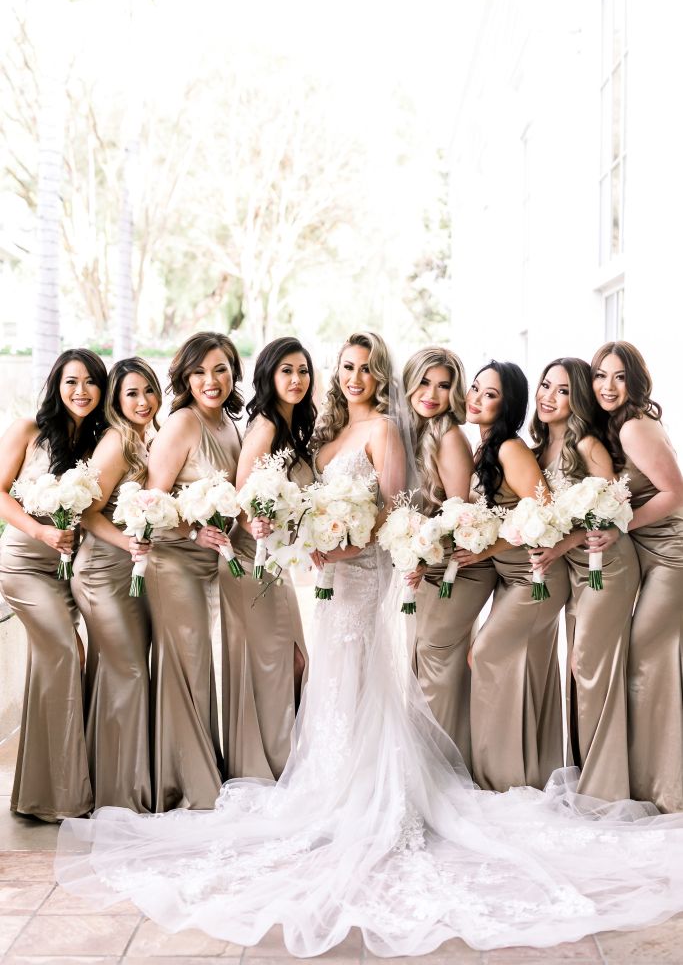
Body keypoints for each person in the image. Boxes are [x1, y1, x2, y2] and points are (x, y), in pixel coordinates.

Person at [56, 338, 683, 957]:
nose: (355, 377)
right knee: (333, 675)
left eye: (366, 369)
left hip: (359, 571)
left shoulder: (386, 429)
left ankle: (373, 787)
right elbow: (289, 500)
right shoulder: (322, 432)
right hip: (328, 569)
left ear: (381, 377)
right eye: (347, 368)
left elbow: (389, 511)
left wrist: (344, 547)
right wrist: (307, 538)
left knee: (365, 671)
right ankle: (329, 780)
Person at [0, 349, 107, 821]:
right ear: (56, 386)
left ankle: (40, 791)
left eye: (90, 382)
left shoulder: (99, 442)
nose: (81, 391)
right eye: (71, 381)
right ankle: (62, 796)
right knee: (66, 651)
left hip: (67, 570)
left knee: (63, 659)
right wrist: (41, 531)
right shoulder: (28, 431)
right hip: (24, 564)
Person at [455, 361, 570, 792]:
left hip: (536, 578)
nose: (476, 398)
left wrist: (486, 548)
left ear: (507, 406)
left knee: (484, 655)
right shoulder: (482, 448)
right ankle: (525, 776)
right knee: (521, 669)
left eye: (490, 395)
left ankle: (497, 780)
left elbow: (545, 513)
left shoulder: (509, 449)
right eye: (475, 388)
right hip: (511, 579)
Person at [530, 357, 639, 801]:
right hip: (575, 572)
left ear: (577, 400)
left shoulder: (589, 445)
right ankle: (584, 775)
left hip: (607, 567)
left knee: (588, 666)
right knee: (577, 672)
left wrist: (563, 543)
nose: (549, 397)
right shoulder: (538, 450)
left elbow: (615, 511)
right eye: (545, 385)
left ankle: (604, 791)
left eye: (562, 391)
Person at [143, 332, 242, 811]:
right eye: (199, 371)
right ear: (185, 378)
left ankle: (199, 770)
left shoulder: (230, 425)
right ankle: (187, 785)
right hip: (173, 560)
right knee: (188, 667)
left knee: (199, 666)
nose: (210, 380)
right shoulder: (182, 423)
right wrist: (192, 532)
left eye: (220, 369)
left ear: (234, 372)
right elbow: (151, 502)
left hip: (208, 564)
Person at [592, 341, 683, 812]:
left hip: (672, 556)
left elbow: (675, 492)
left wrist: (619, 526)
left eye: (619, 376)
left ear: (635, 382)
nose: (608, 386)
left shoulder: (634, 427)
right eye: (600, 375)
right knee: (648, 660)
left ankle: (664, 790)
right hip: (648, 553)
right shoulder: (618, 425)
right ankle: (650, 780)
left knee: (647, 659)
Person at [220, 337, 314, 781]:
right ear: (269, 376)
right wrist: (257, 522)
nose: (296, 380)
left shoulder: (293, 425)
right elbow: (243, 497)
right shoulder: (266, 427)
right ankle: (274, 765)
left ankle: (284, 758)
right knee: (282, 662)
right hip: (251, 559)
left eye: (303, 370)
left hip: (276, 561)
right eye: (286, 371)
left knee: (291, 659)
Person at [71, 357, 162, 812]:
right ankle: (122, 794)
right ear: (116, 401)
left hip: (132, 574)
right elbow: (87, 513)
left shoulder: (151, 438)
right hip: (101, 573)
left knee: (118, 671)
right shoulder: (116, 442)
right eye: (131, 394)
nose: (143, 401)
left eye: (148, 390)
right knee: (128, 672)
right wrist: (127, 542)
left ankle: (107, 783)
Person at [403, 346, 490, 768]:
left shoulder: (449, 436)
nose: (432, 394)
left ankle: (440, 768)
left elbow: (457, 516)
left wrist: (422, 554)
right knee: (422, 661)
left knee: (436, 663)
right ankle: (430, 762)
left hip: (452, 566)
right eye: (424, 382)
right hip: (424, 564)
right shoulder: (409, 432)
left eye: (443, 386)